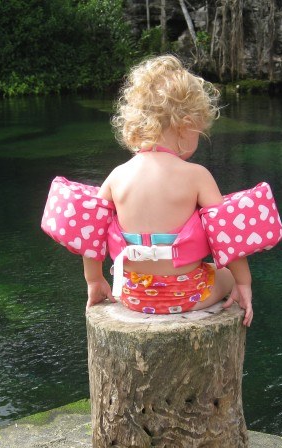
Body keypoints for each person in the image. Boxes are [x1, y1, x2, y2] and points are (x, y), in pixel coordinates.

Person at [82, 55, 254, 326]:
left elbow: (90, 235)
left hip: (132, 293)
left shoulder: (117, 175)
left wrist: (94, 281)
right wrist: (244, 283)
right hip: (187, 295)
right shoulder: (197, 176)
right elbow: (227, 238)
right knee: (226, 273)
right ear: (186, 125)